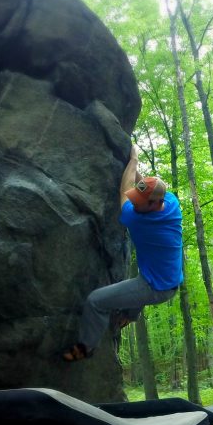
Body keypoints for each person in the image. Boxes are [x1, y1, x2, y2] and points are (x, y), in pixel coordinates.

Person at [62, 146, 184, 361]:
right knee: (139, 280)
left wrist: (134, 159)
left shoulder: (139, 220)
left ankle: (86, 347)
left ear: (155, 204)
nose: (134, 204)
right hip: (166, 277)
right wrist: (141, 179)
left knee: (95, 301)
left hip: (156, 287)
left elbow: (123, 190)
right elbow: (142, 185)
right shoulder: (171, 203)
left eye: (139, 202)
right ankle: (130, 314)